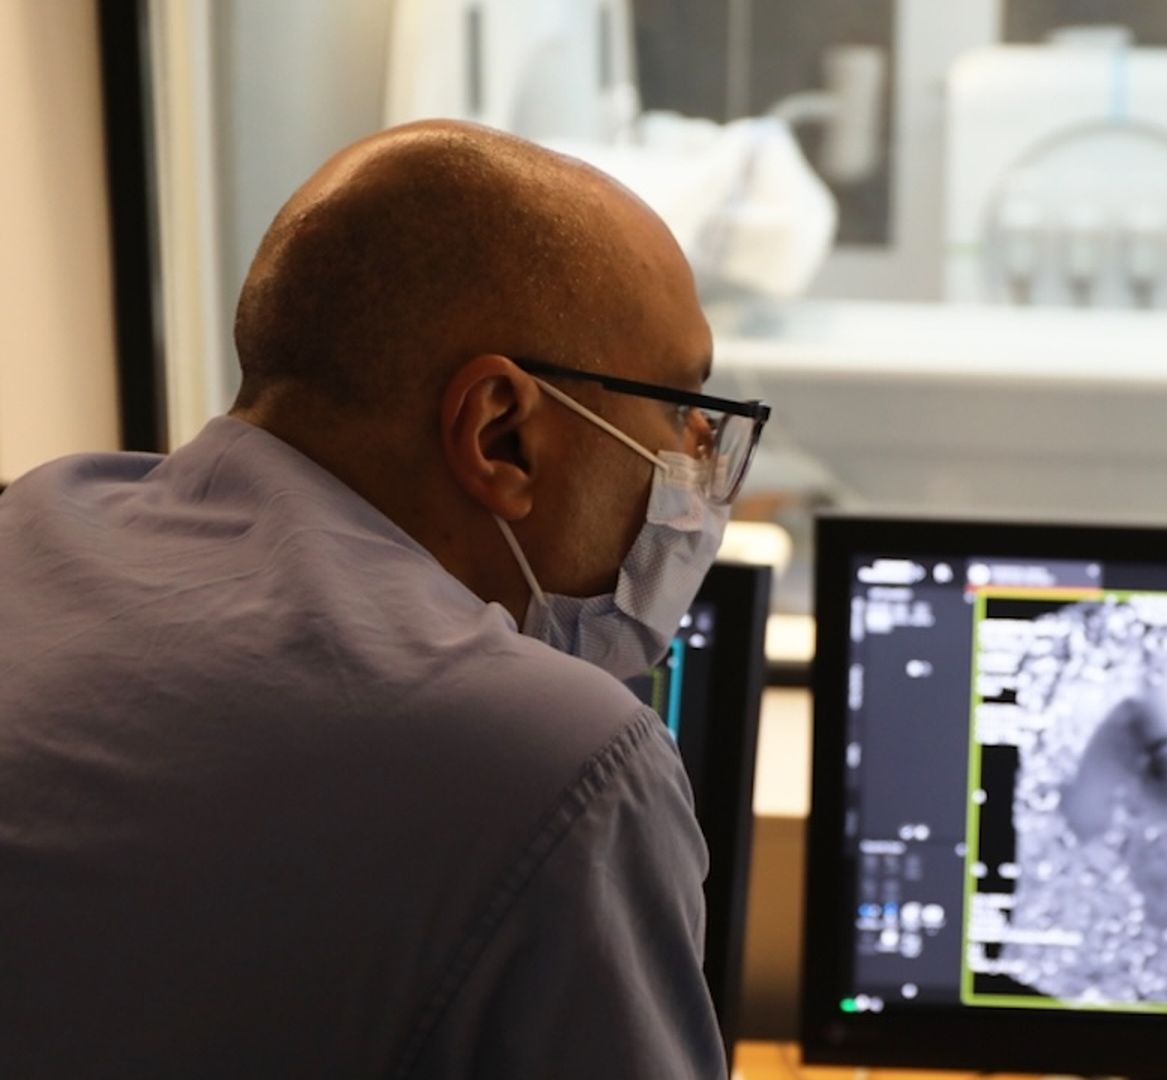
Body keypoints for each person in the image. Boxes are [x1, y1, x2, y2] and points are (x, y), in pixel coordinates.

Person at [0, 121, 768, 1077]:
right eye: (677, 409)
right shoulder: (558, 763)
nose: (697, 458)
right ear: (501, 436)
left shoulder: (36, 520)